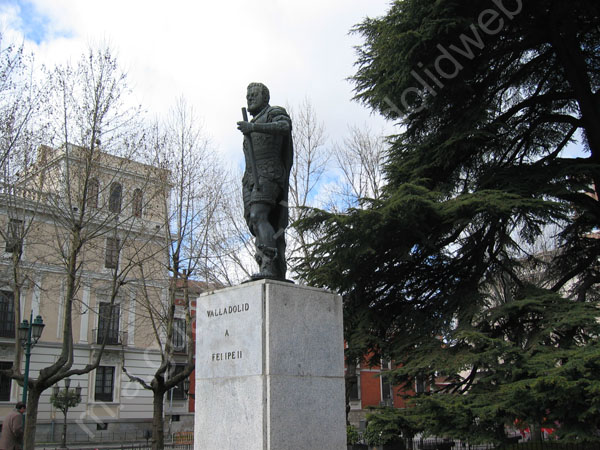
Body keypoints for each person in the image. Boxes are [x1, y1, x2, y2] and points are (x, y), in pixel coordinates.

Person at [237, 82, 293, 280]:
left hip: (269, 173)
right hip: (251, 179)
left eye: (254, 94)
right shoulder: (253, 123)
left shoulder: (274, 112)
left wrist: (253, 127)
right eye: (248, 95)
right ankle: (269, 265)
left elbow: (284, 127)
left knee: (259, 214)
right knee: (254, 221)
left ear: (265, 98)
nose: (250, 98)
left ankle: (268, 266)